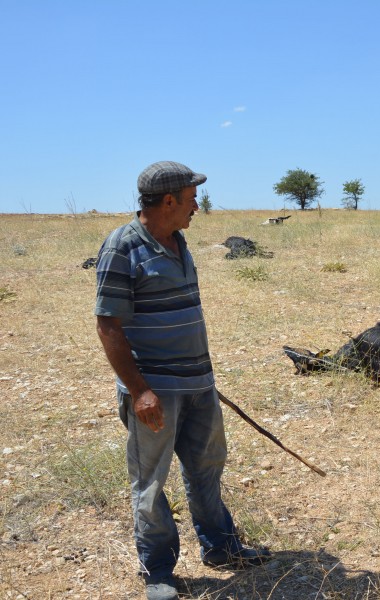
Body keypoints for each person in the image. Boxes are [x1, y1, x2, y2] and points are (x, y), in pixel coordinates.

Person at [95, 161, 270, 600]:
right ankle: (158, 572)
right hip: (155, 394)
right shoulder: (122, 246)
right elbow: (108, 326)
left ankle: (221, 547)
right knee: (151, 482)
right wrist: (140, 392)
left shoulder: (178, 240)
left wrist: (201, 376)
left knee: (207, 468)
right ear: (169, 200)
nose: (198, 207)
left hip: (199, 385)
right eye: (192, 198)